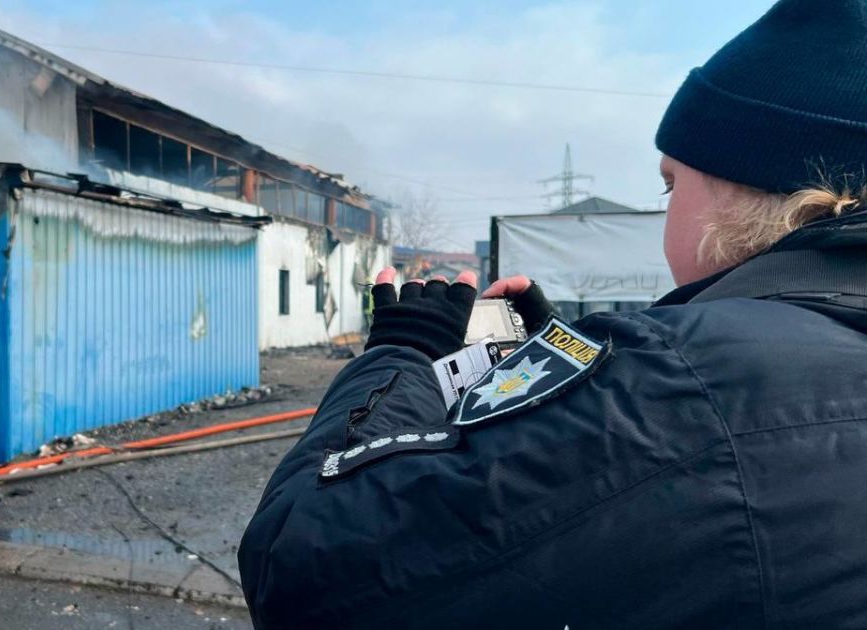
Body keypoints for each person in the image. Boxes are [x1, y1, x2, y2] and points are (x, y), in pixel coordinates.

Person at [239, 0, 867, 626]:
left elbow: (299, 568)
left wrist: (401, 353)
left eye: (671, 183)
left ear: (742, 187)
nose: (667, 204)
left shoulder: (689, 382)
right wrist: (570, 362)